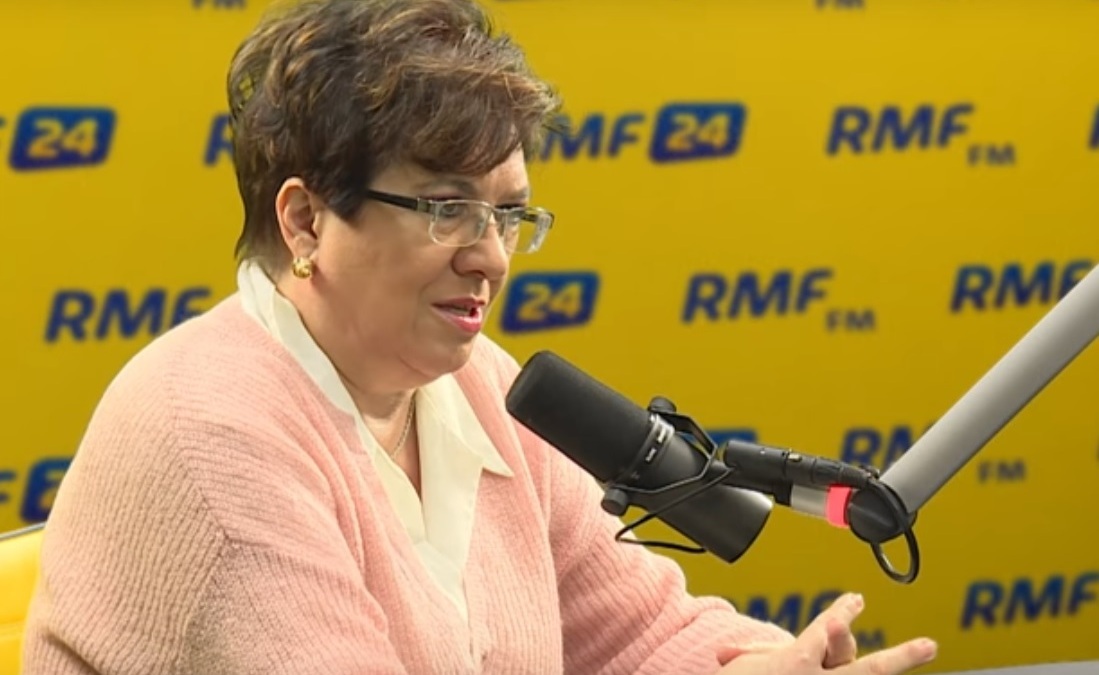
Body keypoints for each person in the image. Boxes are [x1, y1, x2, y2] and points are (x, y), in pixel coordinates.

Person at [22, 0, 939, 673]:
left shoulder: (481, 389)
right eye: (445, 207)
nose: (491, 256)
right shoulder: (208, 434)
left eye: (507, 214)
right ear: (304, 221)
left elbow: (638, 633)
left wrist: (759, 665)